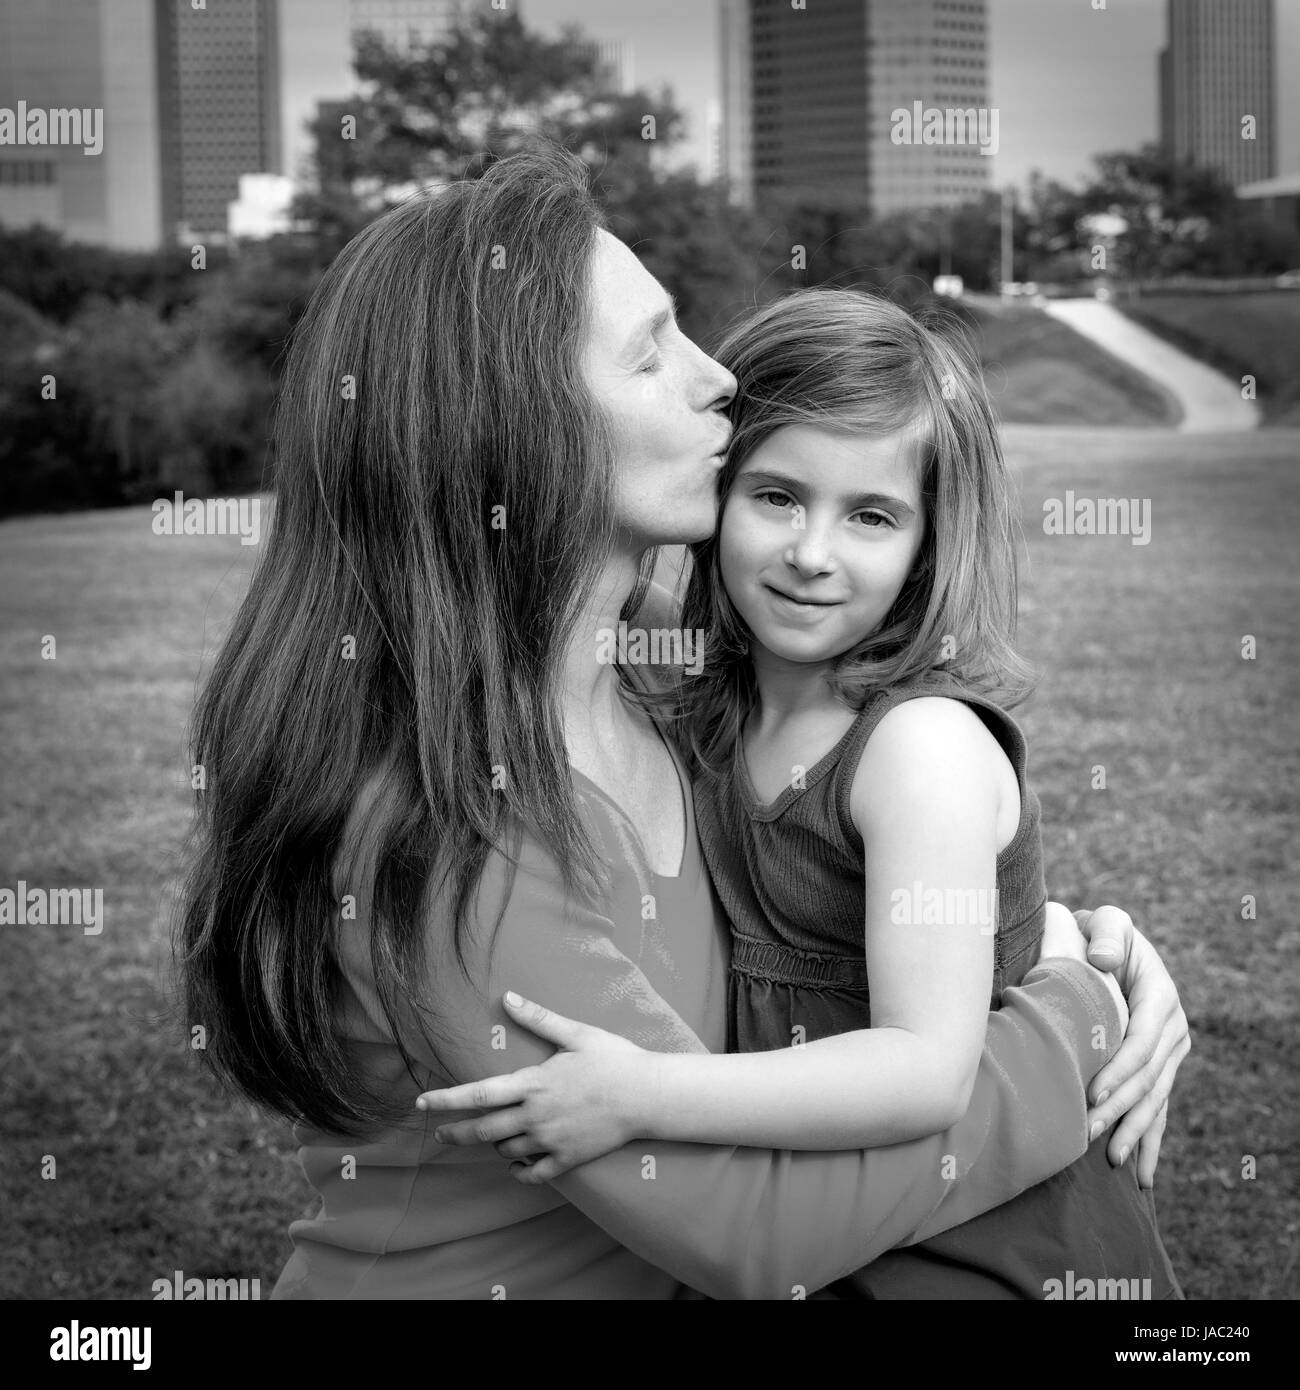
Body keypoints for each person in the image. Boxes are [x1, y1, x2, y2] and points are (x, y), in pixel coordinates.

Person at [176, 143, 1191, 1300]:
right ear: (515, 424)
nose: (720, 378)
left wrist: (1072, 932)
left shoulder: (672, 668)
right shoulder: (452, 824)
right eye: (652, 352)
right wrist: (1073, 1022)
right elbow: (758, 1233)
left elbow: (860, 873)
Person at [417, 289, 1182, 1298]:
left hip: (983, 1233)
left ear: (926, 544)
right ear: (717, 488)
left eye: (870, 515)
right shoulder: (692, 701)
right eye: (776, 496)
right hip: (830, 1211)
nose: (811, 553)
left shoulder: (918, 749)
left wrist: (647, 1092)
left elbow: (926, 1067)